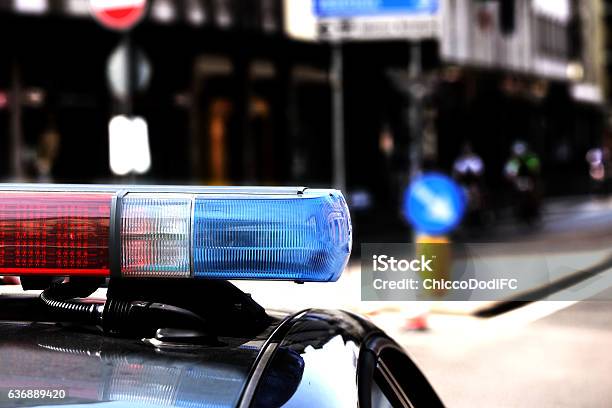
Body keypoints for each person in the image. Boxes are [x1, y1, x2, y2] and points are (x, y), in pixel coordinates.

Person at [504, 141, 541, 222]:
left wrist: (532, 169)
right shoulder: (513, 160)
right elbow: (509, 174)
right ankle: (519, 211)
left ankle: (536, 210)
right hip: (518, 181)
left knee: (534, 192)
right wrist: (512, 176)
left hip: (530, 180)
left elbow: (536, 169)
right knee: (516, 194)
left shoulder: (530, 157)